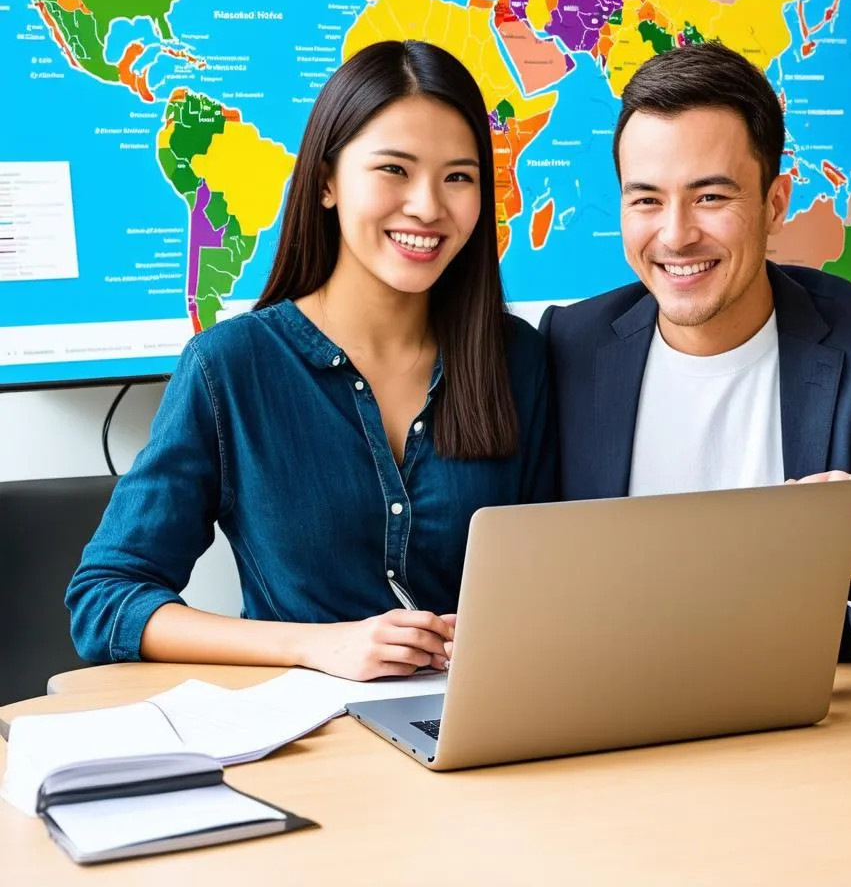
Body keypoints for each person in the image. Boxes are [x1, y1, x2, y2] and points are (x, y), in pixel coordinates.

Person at [67, 40, 556, 680]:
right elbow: (106, 601)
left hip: (486, 726)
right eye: (394, 170)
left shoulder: (517, 359)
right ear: (326, 182)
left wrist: (512, 625)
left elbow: (557, 579)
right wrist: (314, 645)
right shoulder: (231, 368)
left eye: (458, 177)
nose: (429, 207)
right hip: (308, 740)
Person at [542, 41, 851, 661]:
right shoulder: (568, 347)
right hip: (611, 716)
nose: (676, 233)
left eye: (711, 197)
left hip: (819, 734)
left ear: (774, 202)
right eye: (646, 199)